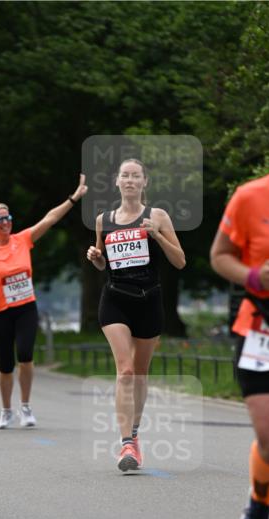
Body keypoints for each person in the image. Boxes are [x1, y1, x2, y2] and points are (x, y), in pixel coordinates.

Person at [0, 179, 88, 429]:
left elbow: (49, 219)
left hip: (25, 308)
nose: (6, 222)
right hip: (0, 313)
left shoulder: (22, 240)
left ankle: (26, 407)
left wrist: (74, 197)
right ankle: (6, 410)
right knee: (6, 365)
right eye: (1, 220)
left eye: (9, 218)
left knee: (26, 356)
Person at [87, 160, 185, 470]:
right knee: (125, 370)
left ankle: (135, 433)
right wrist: (97, 258)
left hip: (149, 300)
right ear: (116, 182)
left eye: (135, 176)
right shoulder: (104, 219)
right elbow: (105, 264)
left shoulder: (157, 216)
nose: (130, 180)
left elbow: (180, 261)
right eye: (125, 176)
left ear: (144, 182)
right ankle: (126, 444)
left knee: (140, 372)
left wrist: (157, 235)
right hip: (115, 299)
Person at [210, 170, 269, 519]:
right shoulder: (250, 196)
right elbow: (219, 256)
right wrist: (253, 276)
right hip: (261, 330)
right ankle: (259, 504)